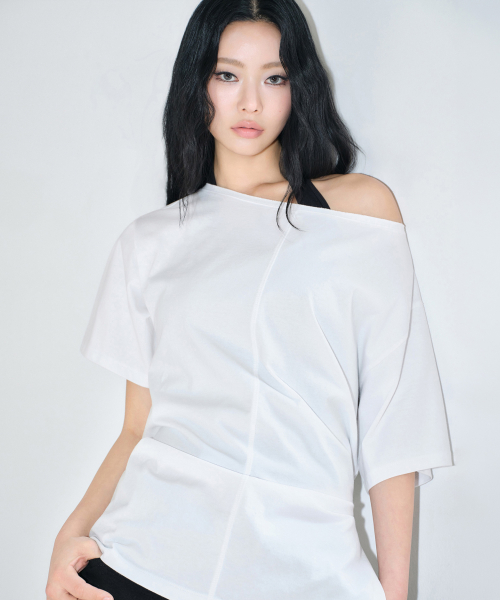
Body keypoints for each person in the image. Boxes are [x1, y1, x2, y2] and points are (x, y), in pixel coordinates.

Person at [46, 1, 454, 599]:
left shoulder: (359, 212)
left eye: (275, 78)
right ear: (198, 84)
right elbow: (136, 427)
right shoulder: (150, 242)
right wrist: (67, 538)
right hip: (136, 564)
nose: (251, 103)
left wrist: (395, 592)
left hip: (304, 574)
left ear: (299, 89)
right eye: (228, 74)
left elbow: (395, 421)